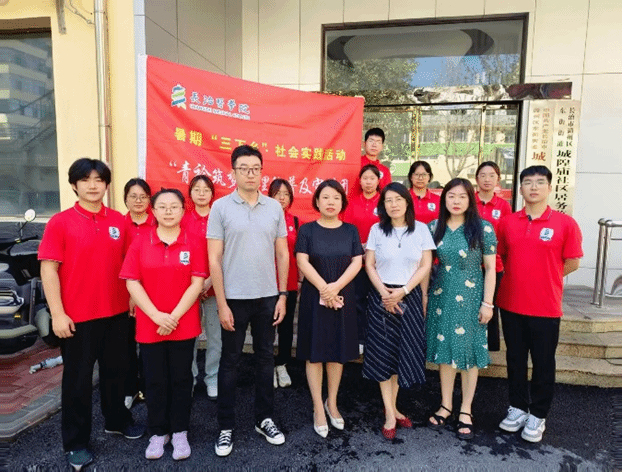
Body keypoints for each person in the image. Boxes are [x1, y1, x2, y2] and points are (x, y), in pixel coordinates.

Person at [39, 158, 144, 471]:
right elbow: (48, 270)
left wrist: (133, 298)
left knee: (117, 373)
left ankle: (116, 420)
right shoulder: (60, 222)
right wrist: (57, 314)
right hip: (77, 318)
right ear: (74, 185)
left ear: (107, 185)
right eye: (85, 180)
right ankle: (75, 442)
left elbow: (131, 263)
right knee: (78, 383)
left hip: (116, 313)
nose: (93, 185)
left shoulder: (119, 221)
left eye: (99, 179)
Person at [208, 145, 289, 457]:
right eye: (244, 168)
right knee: (229, 361)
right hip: (234, 299)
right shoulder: (220, 208)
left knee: (265, 358)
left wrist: (282, 295)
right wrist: (222, 303)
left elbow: (282, 253)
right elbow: (214, 260)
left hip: (267, 297)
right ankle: (226, 426)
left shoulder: (274, 207)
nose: (250, 174)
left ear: (262, 171)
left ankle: (264, 419)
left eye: (255, 168)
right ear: (233, 172)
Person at [496, 165, 582, 443]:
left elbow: (572, 262)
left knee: (544, 363)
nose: (534, 187)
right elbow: (502, 257)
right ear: (520, 188)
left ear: (549, 187)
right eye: (528, 182)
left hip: (545, 306)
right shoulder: (507, 222)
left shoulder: (565, 224)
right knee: (515, 359)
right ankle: (518, 407)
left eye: (540, 182)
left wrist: (547, 276)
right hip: (511, 303)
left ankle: (538, 414)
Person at [120, 188, 206, 461]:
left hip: (184, 323)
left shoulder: (193, 241)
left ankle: (180, 431)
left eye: (174, 206)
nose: (168, 211)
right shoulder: (140, 242)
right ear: (153, 211)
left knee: (182, 379)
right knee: (154, 380)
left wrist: (174, 316)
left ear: (183, 211)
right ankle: (158, 432)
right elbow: (132, 281)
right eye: (162, 207)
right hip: (150, 325)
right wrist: (156, 315)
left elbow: (197, 283)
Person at [425, 178, 497, 440]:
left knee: (468, 354)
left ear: (470, 200)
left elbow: (491, 269)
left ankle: (466, 409)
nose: (456, 201)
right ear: (444, 199)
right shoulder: (434, 227)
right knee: (446, 352)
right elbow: (425, 266)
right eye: (451, 196)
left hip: (471, 299)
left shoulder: (483, 228)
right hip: (441, 298)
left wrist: (488, 303)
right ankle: (446, 405)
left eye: (462, 196)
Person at [362, 183, 435, 440]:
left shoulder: (421, 230)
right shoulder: (376, 230)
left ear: (407, 202)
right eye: (388, 200)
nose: (393, 204)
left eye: (398, 199)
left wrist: (403, 291)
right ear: (383, 205)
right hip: (381, 297)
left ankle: (392, 407)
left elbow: (425, 265)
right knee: (384, 356)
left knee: (401, 354)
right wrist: (385, 292)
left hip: (409, 296)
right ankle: (390, 414)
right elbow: (369, 264)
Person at [295, 179, 363, 438]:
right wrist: (325, 289)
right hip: (315, 297)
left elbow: (357, 262)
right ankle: (317, 407)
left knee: (336, 352)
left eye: (336, 197)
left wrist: (336, 288)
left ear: (342, 202)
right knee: (315, 353)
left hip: (342, 296)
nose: (331, 202)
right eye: (325, 197)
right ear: (317, 201)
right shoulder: (307, 230)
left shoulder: (351, 231)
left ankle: (331, 403)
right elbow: (302, 261)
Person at [184, 175, 220, 401]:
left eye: (206, 189)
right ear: (190, 193)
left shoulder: (219, 218)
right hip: (188, 289)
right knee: (190, 337)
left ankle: (212, 378)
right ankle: (189, 377)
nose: (201, 193)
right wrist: (195, 286)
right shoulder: (183, 219)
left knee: (216, 337)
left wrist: (209, 282)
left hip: (215, 287)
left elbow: (224, 253)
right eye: (197, 189)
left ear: (212, 194)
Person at [123, 178, 156, 410]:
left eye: (143, 196)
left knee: (149, 345)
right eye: (133, 196)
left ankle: (148, 387)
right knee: (125, 344)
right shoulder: (118, 224)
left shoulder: (158, 224)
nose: (138, 201)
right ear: (125, 199)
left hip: (152, 295)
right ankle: (130, 388)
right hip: (122, 294)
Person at [474, 162, 512, 352]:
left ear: (498, 179)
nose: (487, 179)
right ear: (476, 179)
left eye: (491, 175)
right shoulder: (468, 201)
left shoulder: (504, 206)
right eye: (483, 175)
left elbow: (506, 236)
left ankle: (490, 346)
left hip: (494, 265)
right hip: (470, 263)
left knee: (490, 304)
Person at [343, 164, 381, 352]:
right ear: (360, 181)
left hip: (379, 262)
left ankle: (376, 339)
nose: (368, 182)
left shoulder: (385, 202)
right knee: (357, 300)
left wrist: (372, 250)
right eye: (365, 178)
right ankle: (359, 339)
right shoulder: (352, 202)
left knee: (377, 300)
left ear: (378, 181)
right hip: (357, 260)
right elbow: (347, 230)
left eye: (372, 178)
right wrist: (360, 249)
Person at [268, 178, 299, 388]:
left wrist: (300, 279)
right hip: (266, 282)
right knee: (267, 327)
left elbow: (299, 254)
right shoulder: (262, 220)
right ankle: (267, 365)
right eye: (277, 193)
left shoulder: (295, 221)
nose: (281, 198)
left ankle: (282, 364)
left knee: (286, 327)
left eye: (286, 194)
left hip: (288, 283)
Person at [407, 160, 441, 224]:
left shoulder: (438, 200)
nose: (420, 178)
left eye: (424, 174)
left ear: (429, 177)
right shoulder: (403, 198)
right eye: (417, 174)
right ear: (411, 177)